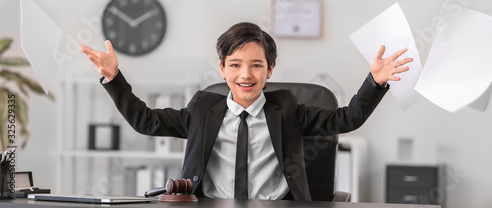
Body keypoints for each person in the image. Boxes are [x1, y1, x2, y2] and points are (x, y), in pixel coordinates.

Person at [81, 22, 412, 201]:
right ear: (222, 68)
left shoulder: (288, 109)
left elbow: (346, 118)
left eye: (256, 65)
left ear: (269, 70)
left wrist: (375, 81)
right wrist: (113, 77)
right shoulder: (202, 108)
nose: (245, 75)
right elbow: (146, 121)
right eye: (236, 65)